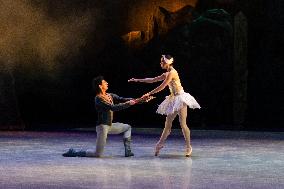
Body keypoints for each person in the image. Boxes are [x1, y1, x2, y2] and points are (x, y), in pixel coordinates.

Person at [128, 55, 201, 157]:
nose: (160, 63)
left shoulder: (172, 73)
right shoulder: (167, 73)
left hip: (180, 98)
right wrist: (138, 80)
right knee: (167, 124)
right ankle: (160, 144)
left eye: (162, 62)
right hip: (173, 99)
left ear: (168, 63)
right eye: (161, 62)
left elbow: (162, 86)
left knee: (183, 124)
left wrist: (149, 93)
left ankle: (189, 146)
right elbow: (153, 80)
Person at [63, 76, 142, 158]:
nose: (107, 83)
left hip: (110, 125)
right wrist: (129, 103)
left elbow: (123, 99)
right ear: (100, 86)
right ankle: (74, 152)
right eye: (105, 82)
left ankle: (128, 151)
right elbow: (113, 107)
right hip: (102, 127)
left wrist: (140, 99)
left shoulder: (110, 95)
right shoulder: (98, 98)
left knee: (127, 127)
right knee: (97, 154)